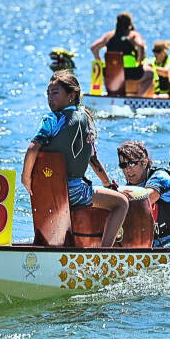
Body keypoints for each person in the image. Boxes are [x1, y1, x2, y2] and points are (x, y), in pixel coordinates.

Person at [21, 70, 129, 248]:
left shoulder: (51, 119)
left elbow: (33, 147)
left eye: (55, 93)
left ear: (71, 95)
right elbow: (92, 159)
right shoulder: (86, 119)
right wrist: (108, 185)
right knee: (121, 202)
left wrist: (26, 178)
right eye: (48, 94)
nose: (50, 98)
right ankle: (105, 253)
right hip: (74, 193)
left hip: (46, 193)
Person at [117, 140, 170, 248]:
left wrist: (115, 201)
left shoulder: (161, 177)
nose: (128, 169)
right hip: (154, 244)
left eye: (132, 163)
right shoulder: (128, 188)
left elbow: (145, 199)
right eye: (123, 165)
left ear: (144, 162)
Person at [90, 12, 153, 94]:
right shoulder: (133, 35)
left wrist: (100, 62)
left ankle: (111, 94)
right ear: (130, 24)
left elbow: (93, 48)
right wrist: (140, 61)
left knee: (107, 72)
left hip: (110, 72)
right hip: (130, 72)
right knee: (150, 73)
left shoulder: (109, 35)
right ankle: (139, 97)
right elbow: (140, 46)